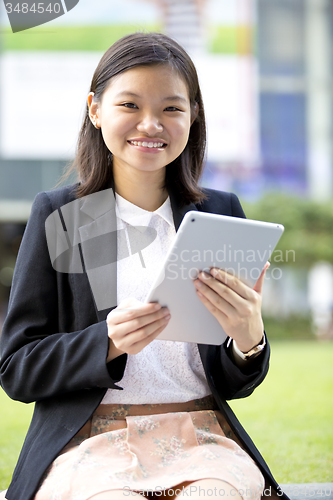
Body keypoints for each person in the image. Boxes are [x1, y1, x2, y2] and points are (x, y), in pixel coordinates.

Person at [0, 33, 287, 500]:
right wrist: (107, 342)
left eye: (172, 109)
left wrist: (248, 339)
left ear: (193, 116)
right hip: (90, 440)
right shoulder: (61, 216)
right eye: (130, 105)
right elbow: (16, 368)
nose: (151, 124)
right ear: (95, 109)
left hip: (202, 438)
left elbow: (237, 382)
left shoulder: (221, 212)